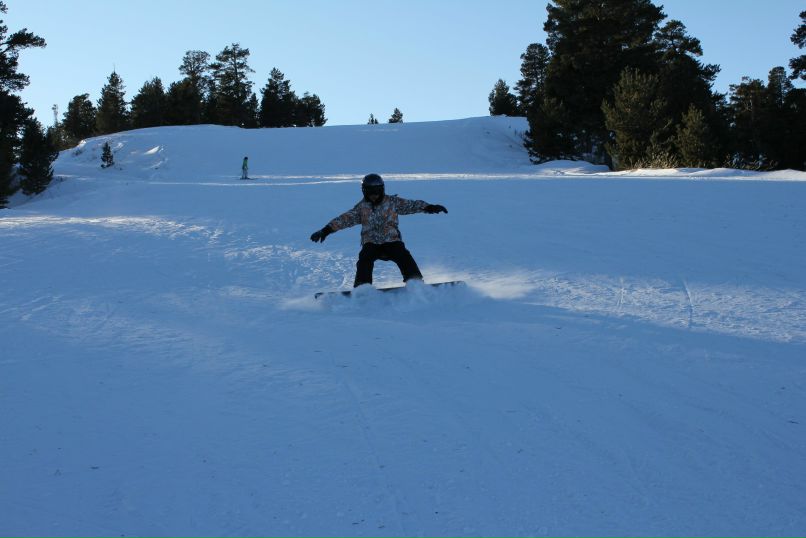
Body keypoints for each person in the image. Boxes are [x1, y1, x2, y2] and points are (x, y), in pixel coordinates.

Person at [310, 173, 447, 287]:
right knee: (365, 258)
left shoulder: (392, 202)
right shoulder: (361, 207)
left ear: (382, 190)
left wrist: (429, 207)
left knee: (403, 255)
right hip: (371, 242)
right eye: (370, 193)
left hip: (391, 240)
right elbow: (344, 219)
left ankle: (415, 281)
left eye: (377, 192)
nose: (374, 195)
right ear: (364, 191)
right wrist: (325, 230)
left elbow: (411, 205)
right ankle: (363, 287)